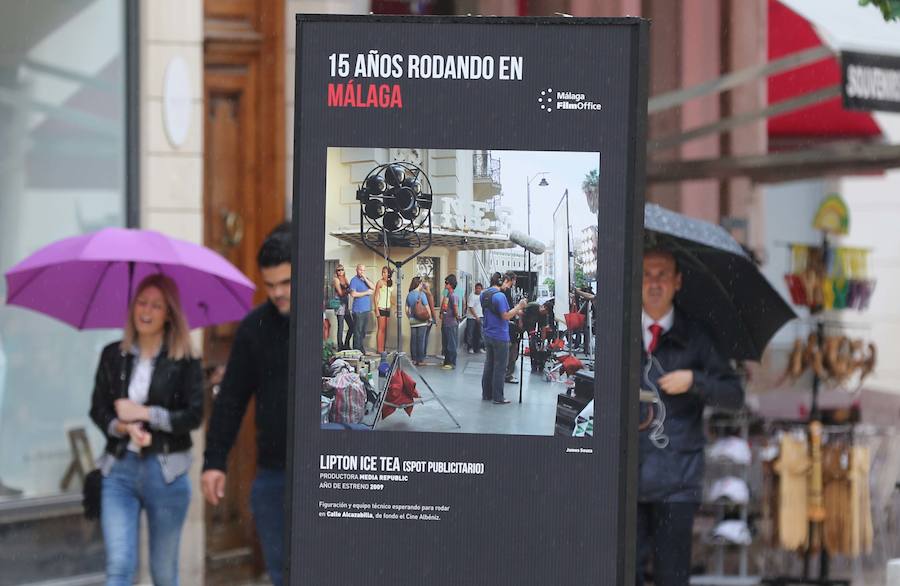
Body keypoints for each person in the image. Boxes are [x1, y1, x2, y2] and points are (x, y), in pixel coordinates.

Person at [636, 249, 744, 586]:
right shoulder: (618, 332)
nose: (654, 283)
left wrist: (695, 381)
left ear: (677, 282)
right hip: (625, 478)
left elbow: (734, 396)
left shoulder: (697, 336)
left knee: (672, 574)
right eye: (647, 274)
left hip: (677, 479)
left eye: (662, 275)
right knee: (622, 573)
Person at [89, 274, 203, 586]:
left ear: (169, 314)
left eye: (156, 305)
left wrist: (145, 414)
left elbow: (193, 416)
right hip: (120, 470)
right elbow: (97, 409)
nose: (146, 311)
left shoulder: (185, 360)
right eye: (141, 302)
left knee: (164, 573)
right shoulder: (113, 355)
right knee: (119, 568)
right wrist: (122, 426)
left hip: (165, 472)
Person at [202, 223, 292, 586]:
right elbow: (232, 399)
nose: (277, 294)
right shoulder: (254, 328)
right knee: (281, 572)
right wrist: (214, 462)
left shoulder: (324, 319)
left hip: (326, 472)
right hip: (272, 473)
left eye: (286, 283)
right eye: (269, 286)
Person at [481, 271, 527, 404]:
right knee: (500, 367)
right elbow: (505, 316)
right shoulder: (500, 297)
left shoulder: (484, 294)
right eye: (509, 284)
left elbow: (494, 312)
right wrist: (520, 306)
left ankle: (486, 394)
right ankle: (498, 397)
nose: (508, 287)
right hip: (500, 335)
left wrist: (515, 310)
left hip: (488, 333)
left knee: (489, 364)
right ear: (504, 281)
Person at [349, 264, 375, 354]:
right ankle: (356, 350)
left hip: (366, 309)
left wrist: (365, 279)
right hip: (358, 310)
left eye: (363, 270)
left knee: (363, 331)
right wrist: (366, 292)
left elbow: (373, 287)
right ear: (356, 270)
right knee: (358, 331)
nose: (362, 272)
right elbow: (353, 294)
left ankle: (361, 349)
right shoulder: (354, 280)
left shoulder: (365, 280)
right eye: (360, 270)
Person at [440, 274, 463, 369]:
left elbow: (455, 308)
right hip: (446, 322)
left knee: (451, 343)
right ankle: (446, 361)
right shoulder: (448, 295)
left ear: (451, 284)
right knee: (446, 343)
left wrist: (457, 316)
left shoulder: (453, 296)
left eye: (447, 283)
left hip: (451, 323)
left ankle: (451, 362)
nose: (445, 284)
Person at [405, 276, 429, 365]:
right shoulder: (421, 294)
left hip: (412, 321)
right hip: (422, 321)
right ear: (419, 283)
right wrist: (429, 318)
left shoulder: (409, 294)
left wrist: (410, 317)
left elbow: (406, 309)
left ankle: (414, 359)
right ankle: (420, 360)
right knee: (421, 340)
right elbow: (427, 308)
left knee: (413, 340)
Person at [332, 264, 353, 350]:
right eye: (338, 270)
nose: (340, 272)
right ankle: (340, 346)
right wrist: (348, 291)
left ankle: (346, 344)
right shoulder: (336, 280)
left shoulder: (345, 279)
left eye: (342, 270)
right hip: (339, 305)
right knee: (340, 327)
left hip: (346, 305)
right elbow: (340, 293)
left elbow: (350, 287)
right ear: (336, 272)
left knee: (352, 326)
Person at [373, 266, 394, 354]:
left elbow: (390, 297)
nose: (384, 274)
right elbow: (375, 296)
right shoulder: (380, 282)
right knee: (381, 329)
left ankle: (383, 349)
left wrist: (395, 305)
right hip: (380, 307)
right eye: (383, 272)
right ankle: (379, 349)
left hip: (387, 308)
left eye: (386, 272)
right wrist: (376, 309)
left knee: (385, 329)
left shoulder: (390, 283)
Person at [465, 282, 484, 353]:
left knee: (481, 333)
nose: (478, 290)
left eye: (479, 288)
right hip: (471, 317)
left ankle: (480, 347)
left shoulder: (482, 295)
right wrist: (476, 317)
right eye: (477, 288)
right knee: (470, 333)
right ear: (475, 289)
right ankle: (470, 347)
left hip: (481, 316)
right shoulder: (472, 296)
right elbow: (471, 307)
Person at [421, 280, 437, 361]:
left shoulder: (420, 294)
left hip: (421, 317)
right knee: (425, 337)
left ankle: (421, 354)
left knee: (422, 337)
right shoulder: (429, 295)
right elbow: (432, 308)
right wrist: (435, 319)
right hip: (428, 318)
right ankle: (423, 354)